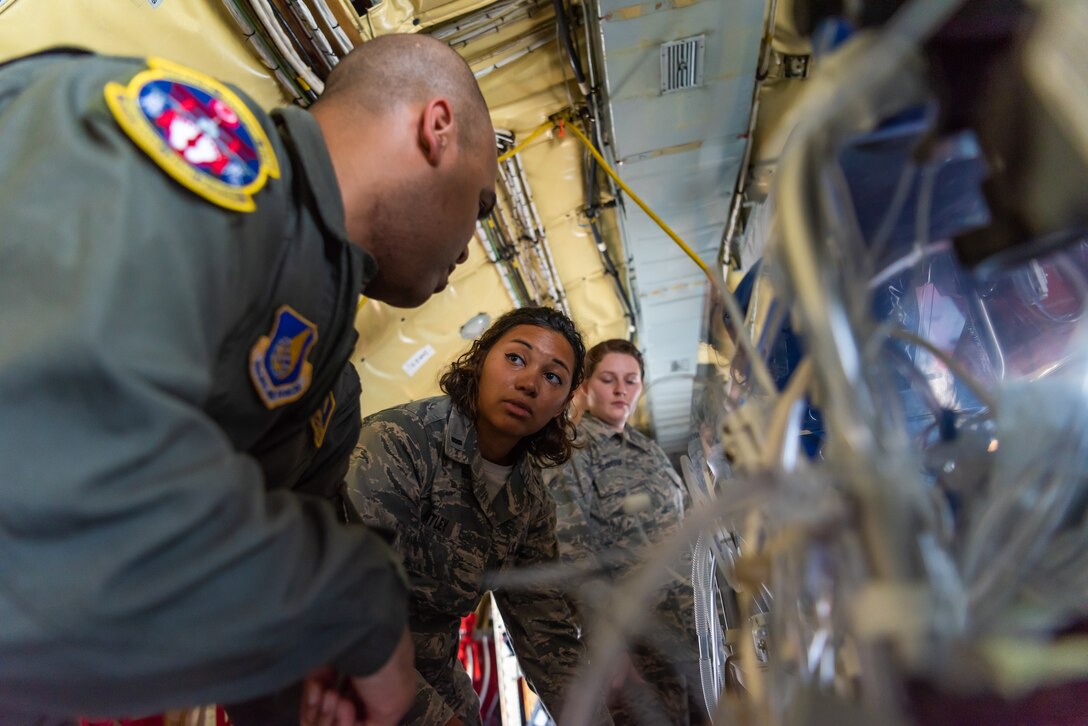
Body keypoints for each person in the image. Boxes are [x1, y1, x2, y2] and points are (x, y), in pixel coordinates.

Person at [0, 33, 496, 724]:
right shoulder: (188, 150)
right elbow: (44, 507)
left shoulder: (325, 384)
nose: (473, 243)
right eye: (483, 203)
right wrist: (349, 601)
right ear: (437, 126)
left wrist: (294, 675)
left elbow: (223, 576)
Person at [346, 306, 611, 726]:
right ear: (480, 359)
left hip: (434, 669)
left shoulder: (529, 502)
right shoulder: (397, 445)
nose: (528, 383)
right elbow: (350, 613)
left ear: (563, 403)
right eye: (516, 359)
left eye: (553, 377)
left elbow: (544, 630)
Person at [544, 339, 702, 725]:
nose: (620, 390)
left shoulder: (648, 451)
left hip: (690, 636)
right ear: (584, 387)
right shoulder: (574, 453)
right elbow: (573, 551)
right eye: (608, 379)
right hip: (637, 645)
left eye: (631, 380)